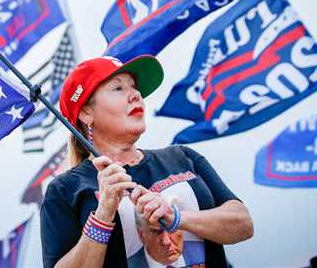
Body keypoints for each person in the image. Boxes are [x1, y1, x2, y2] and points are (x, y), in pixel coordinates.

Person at [40, 55, 254, 268]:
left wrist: (176, 217)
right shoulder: (65, 189)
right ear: (87, 112)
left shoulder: (182, 157)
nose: (135, 95)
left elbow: (244, 224)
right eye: (118, 88)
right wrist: (103, 214)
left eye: (134, 87)